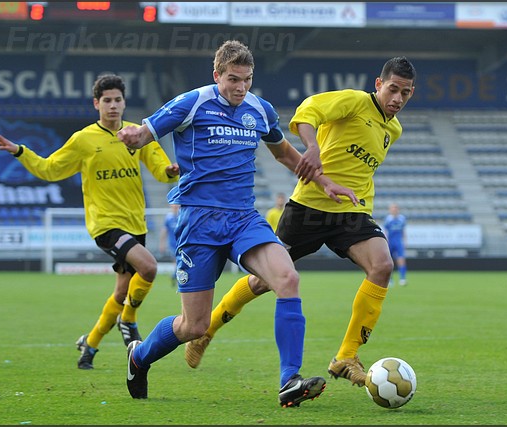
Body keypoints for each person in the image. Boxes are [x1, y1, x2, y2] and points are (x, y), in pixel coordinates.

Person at [117, 40, 356, 407]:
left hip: (244, 218)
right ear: (217, 76)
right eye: (233, 79)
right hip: (198, 221)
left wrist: (323, 181)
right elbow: (147, 132)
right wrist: (135, 136)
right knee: (193, 326)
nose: (241, 87)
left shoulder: (259, 109)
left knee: (287, 278)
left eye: (247, 79)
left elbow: (283, 153)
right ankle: (139, 356)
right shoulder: (192, 102)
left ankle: (289, 380)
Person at [185, 56, 417, 388]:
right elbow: (307, 111)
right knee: (263, 282)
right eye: (393, 89)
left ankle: (346, 356)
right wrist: (312, 148)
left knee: (382, 265)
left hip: (352, 212)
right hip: (308, 207)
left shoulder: (393, 129)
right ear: (379, 85)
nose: (397, 99)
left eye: (405, 93)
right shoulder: (353, 102)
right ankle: (208, 328)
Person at [0, 74, 179, 369]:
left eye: (117, 100)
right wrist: (20, 151)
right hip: (105, 224)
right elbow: (50, 169)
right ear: (96, 104)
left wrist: (172, 169)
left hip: (134, 223)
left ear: (124, 102)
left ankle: (89, 345)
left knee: (121, 292)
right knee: (150, 267)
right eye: (107, 101)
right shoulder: (84, 140)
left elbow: (160, 170)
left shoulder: (137, 134)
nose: (113, 106)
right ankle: (129, 320)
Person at [383, 203, 408, 286]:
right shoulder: (388, 219)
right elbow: (385, 231)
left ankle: (402, 278)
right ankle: (390, 280)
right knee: (389, 261)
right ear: (390, 210)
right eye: (392, 208)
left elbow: (403, 231)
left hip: (398, 242)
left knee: (401, 260)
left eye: (396, 208)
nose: (394, 209)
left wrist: (405, 241)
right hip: (390, 242)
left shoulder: (402, 219)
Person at [159, 203, 180, 287]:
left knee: (180, 261)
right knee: (176, 261)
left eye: (177, 206)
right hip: (172, 244)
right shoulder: (169, 217)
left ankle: (175, 275)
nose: (175, 207)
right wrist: (162, 244)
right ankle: (177, 276)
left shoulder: (181, 217)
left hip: (181, 244)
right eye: (173, 206)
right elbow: (164, 231)